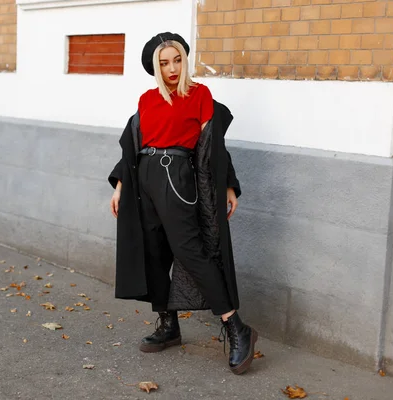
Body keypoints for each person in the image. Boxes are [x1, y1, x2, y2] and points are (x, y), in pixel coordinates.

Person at [107, 32, 258, 375]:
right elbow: (132, 147)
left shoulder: (200, 95)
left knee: (190, 252)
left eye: (177, 60)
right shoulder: (146, 100)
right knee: (154, 252)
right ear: (155, 67)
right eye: (164, 63)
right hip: (144, 179)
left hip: (177, 178)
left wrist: (229, 186)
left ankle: (237, 326)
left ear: (185, 61)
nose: (172, 68)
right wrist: (120, 187)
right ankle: (168, 325)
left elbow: (214, 147)